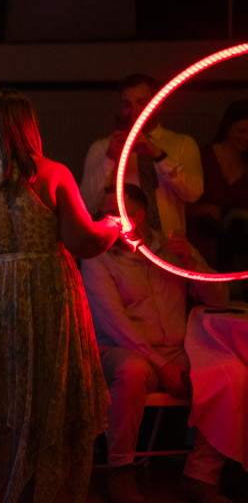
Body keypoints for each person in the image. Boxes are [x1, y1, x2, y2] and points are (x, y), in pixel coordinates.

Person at [0, 87, 120, 503]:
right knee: (49, 395)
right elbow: (83, 241)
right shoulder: (53, 174)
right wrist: (113, 225)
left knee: (0, 397)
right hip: (50, 296)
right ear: (28, 126)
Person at [81, 184, 233, 503]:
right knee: (131, 371)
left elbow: (220, 298)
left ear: (137, 216)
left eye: (114, 212)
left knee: (229, 373)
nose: (105, 220)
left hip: (178, 350)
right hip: (121, 350)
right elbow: (114, 324)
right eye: (102, 213)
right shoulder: (98, 260)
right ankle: (120, 471)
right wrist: (162, 366)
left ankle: (200, 476)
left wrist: (190, 262)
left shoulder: (169, 248)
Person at [80, 73, 203, 237]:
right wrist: (109, 158)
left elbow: (193, 194)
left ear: (158, 105)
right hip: (121, 249)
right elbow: (88, 205)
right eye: (127, 104)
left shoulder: (182, 144)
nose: (135, 111)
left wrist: (159, 155)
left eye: (142, 103)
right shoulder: (102, 148)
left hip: (168, 246)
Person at [186, 99, 248, 278]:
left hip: (236, 256)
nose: (245, 138)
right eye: (241, 131)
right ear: (227, 128)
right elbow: (175, 204)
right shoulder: (202, 156)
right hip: (199, 250)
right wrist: (205, 209)